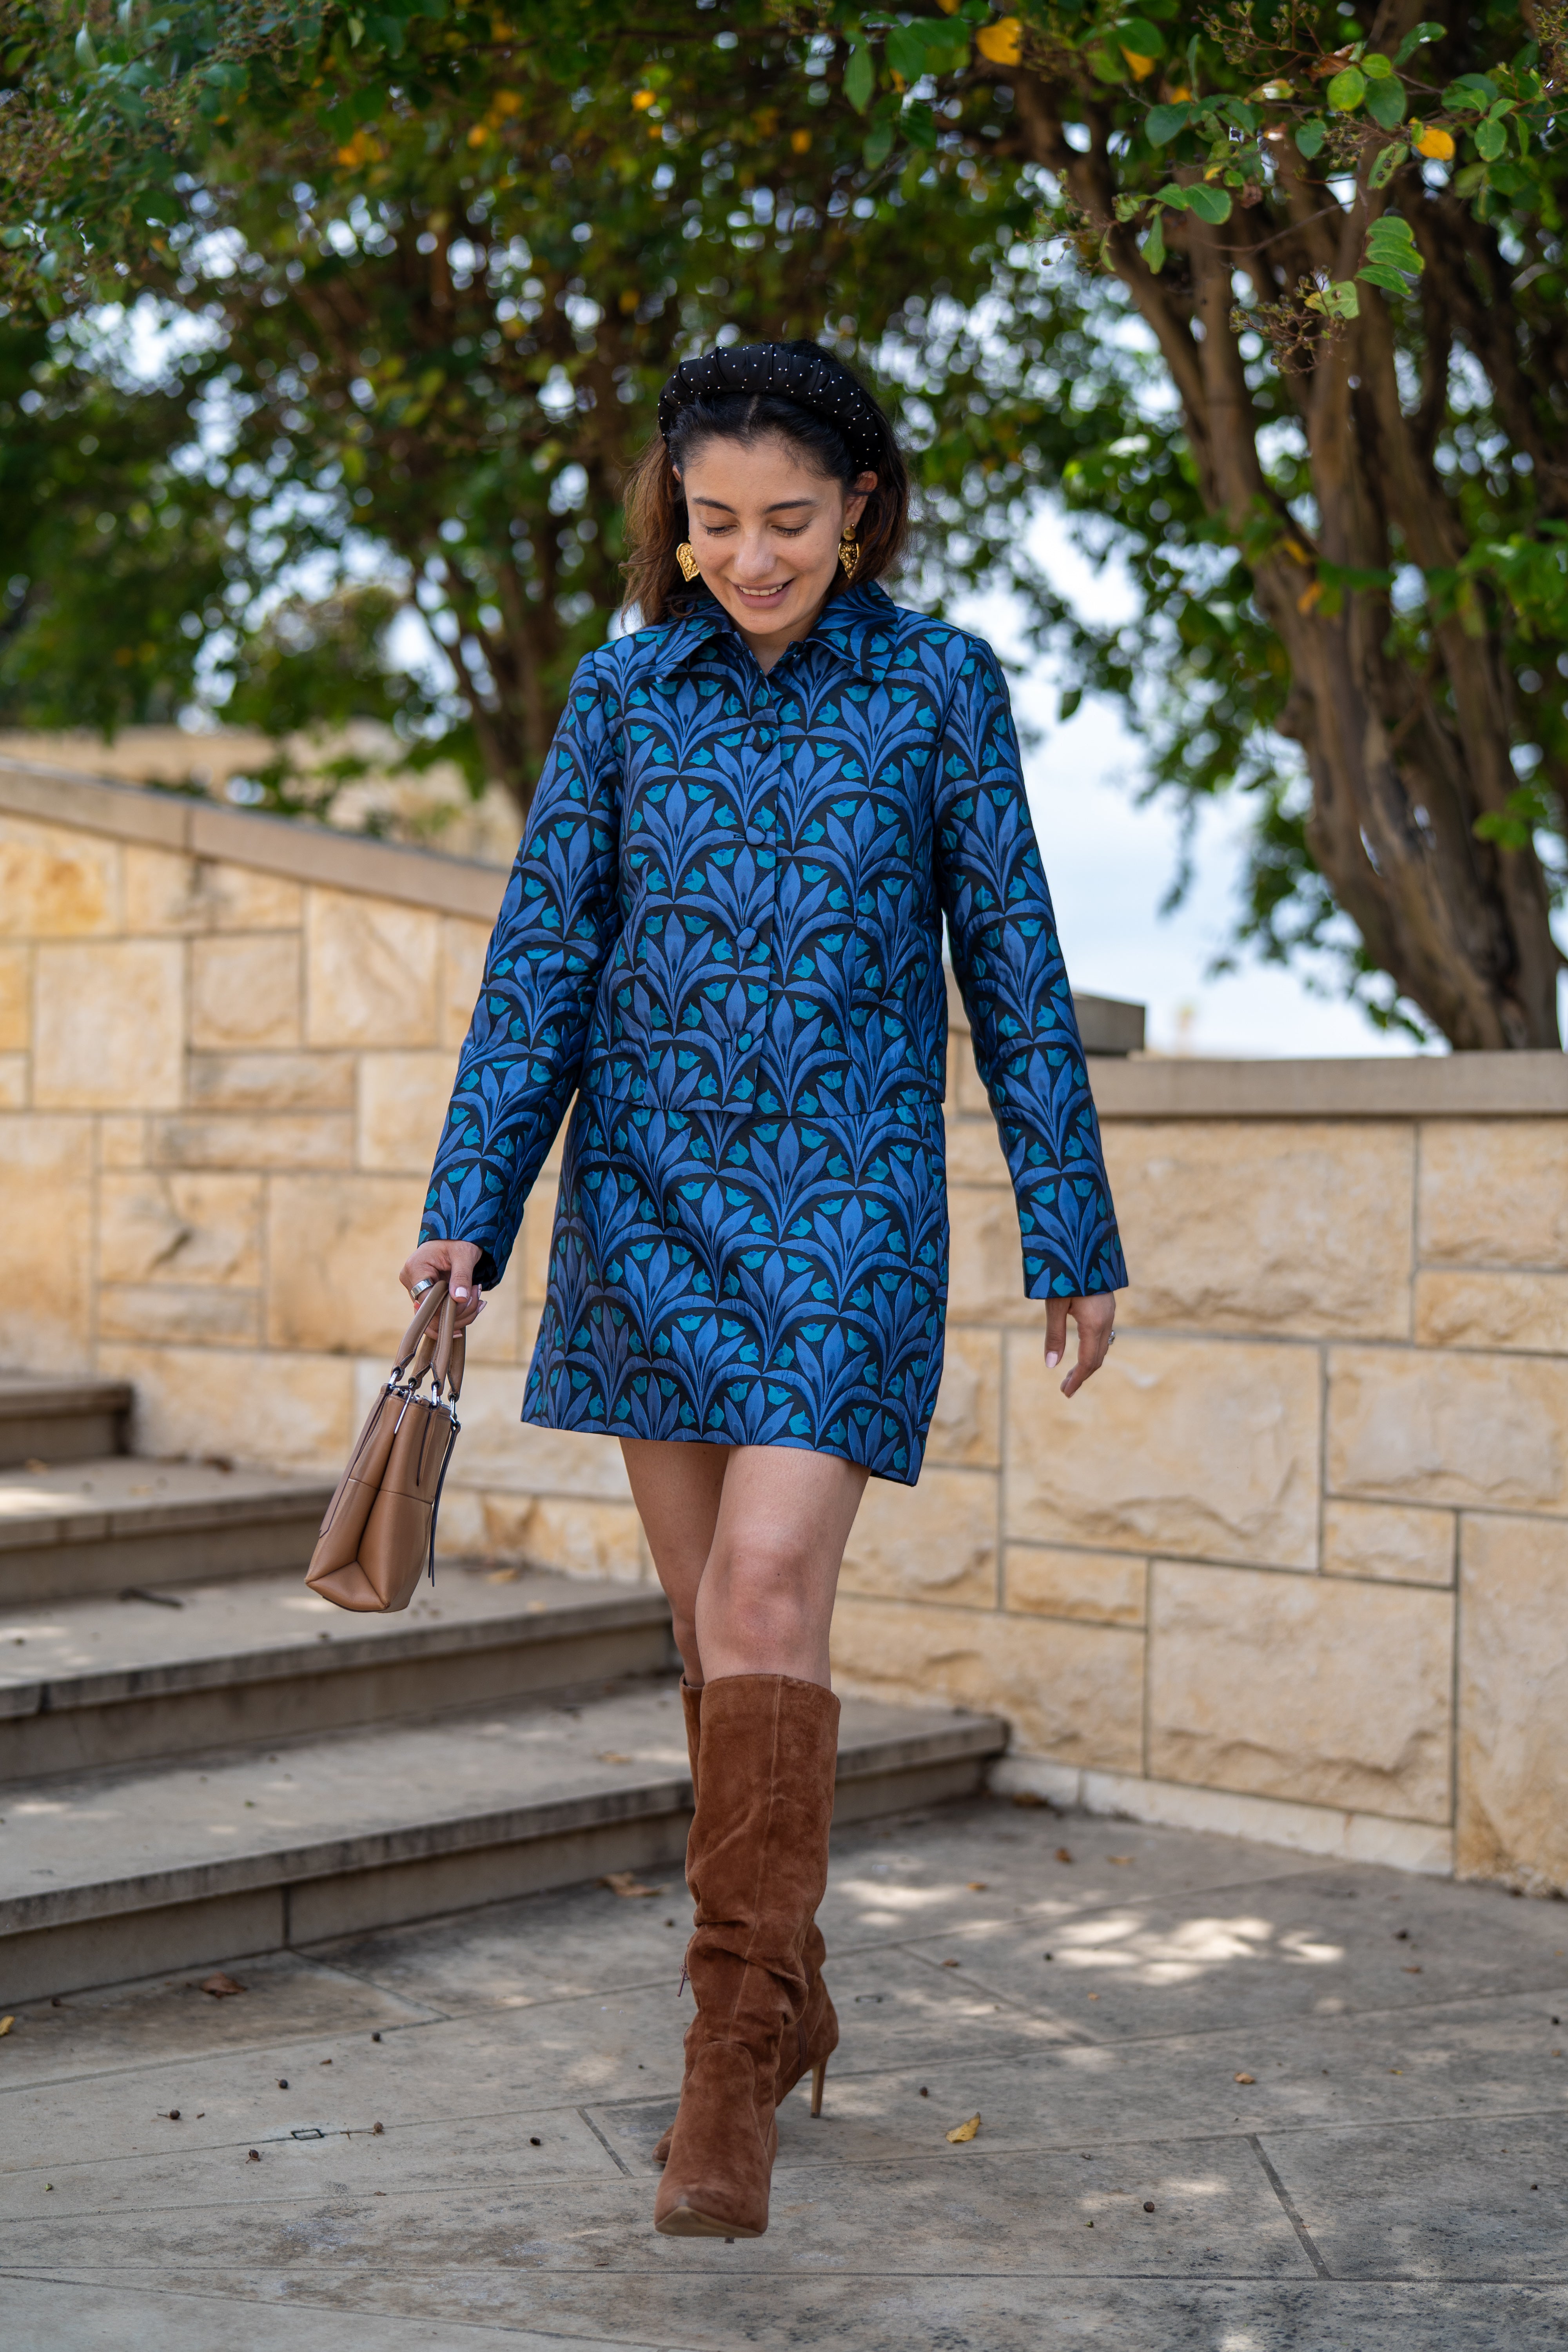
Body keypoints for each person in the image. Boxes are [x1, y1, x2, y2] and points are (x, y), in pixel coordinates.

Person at [402, 339, 1125, 2240]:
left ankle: (723, 2068)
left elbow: (1017, 968)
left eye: (788, 520)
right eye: (714, 522)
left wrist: (1072, 1223)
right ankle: (786, 1985)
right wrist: (467, 1205)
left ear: (861, 507)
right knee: (718, 1648)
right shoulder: (625, 692)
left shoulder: (941, 689)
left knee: (764, 1584)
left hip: (852, 1213)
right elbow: (542, 960)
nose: (750, 555)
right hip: (647, 1204)